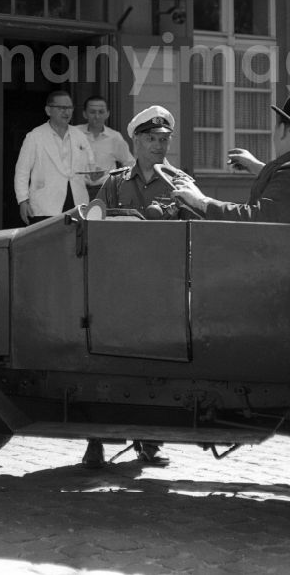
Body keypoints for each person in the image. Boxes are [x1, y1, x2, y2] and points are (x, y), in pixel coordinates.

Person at [82, 105, 177, 471]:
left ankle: (149, 443)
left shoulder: (179, 183)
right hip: (117, 289)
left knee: (154, 369)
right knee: (103, 366)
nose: (159, 146)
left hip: (159, 290)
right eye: (152, 139)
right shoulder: (115, 182)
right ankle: (95, 444)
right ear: (136, 142)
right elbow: (94, 223)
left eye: (164, 140)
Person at [170, 91, 290, 224]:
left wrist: (201, 201)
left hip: (286, 263)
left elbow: (257, 219)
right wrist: (257, 167)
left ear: (284, 130)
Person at [13, 91, 95, 225]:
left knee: (75, 243)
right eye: (61, 108)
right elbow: (22, 172)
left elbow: (91, 167)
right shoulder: (35, 136)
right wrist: (23, 200)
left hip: (77, 201)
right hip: (46, 203)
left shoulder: (79, 135)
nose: (66, 112)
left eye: (69, 108)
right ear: (48, 110)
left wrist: (94, 175)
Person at [74, 95, 135, 199]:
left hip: (106, 190)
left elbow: (130, 163)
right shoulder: (75, 133)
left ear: (107, 114)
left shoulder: (115, 137)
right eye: (92, 112)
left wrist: (120, 182)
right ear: (85, 114)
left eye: (101, 112)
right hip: (78, 188)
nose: (97, 116)